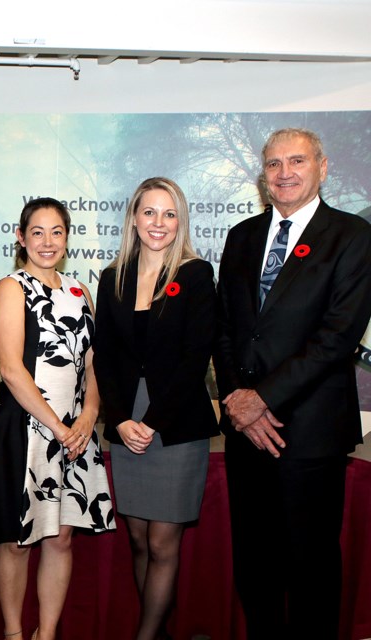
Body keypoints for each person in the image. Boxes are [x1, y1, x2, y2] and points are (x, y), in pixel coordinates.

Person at [214, 128, 371, 639]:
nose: (285, 173)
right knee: (255, 566)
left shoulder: (352, 237)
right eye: (275, 163)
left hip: (310, 433)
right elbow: (226, 328)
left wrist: (262, 400)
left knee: (310, 567)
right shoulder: (241, 236)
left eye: (297, 161)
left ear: (322, 167)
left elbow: (337, 336)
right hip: (245, 432)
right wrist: (239, 401)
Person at [0, 197, 114, 640]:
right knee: (18, 538)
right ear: (20, 237)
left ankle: (46, 633)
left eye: (56, 232)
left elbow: (93, 365)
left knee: (61, 537)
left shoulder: (79, 290)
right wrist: (58, 426)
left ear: (67, 238)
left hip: (75, 431)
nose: (47, 242)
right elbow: (11, 369)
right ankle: (14, 633)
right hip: (28, 429)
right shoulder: (12, 287)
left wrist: (88, 416)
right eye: (37, 232)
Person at [93, 178, 217, 639]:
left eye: (169, 214)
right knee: (139, 538)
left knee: (164, 541)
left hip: (175, 423)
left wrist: (150, 423)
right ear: (134, 219)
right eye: (149, 213)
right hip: (126, 421)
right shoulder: (113, 277)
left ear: (180, 221)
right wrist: (122, 420)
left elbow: (194, 359)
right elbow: (104, 355)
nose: (158, 223)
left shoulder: (196, 274)